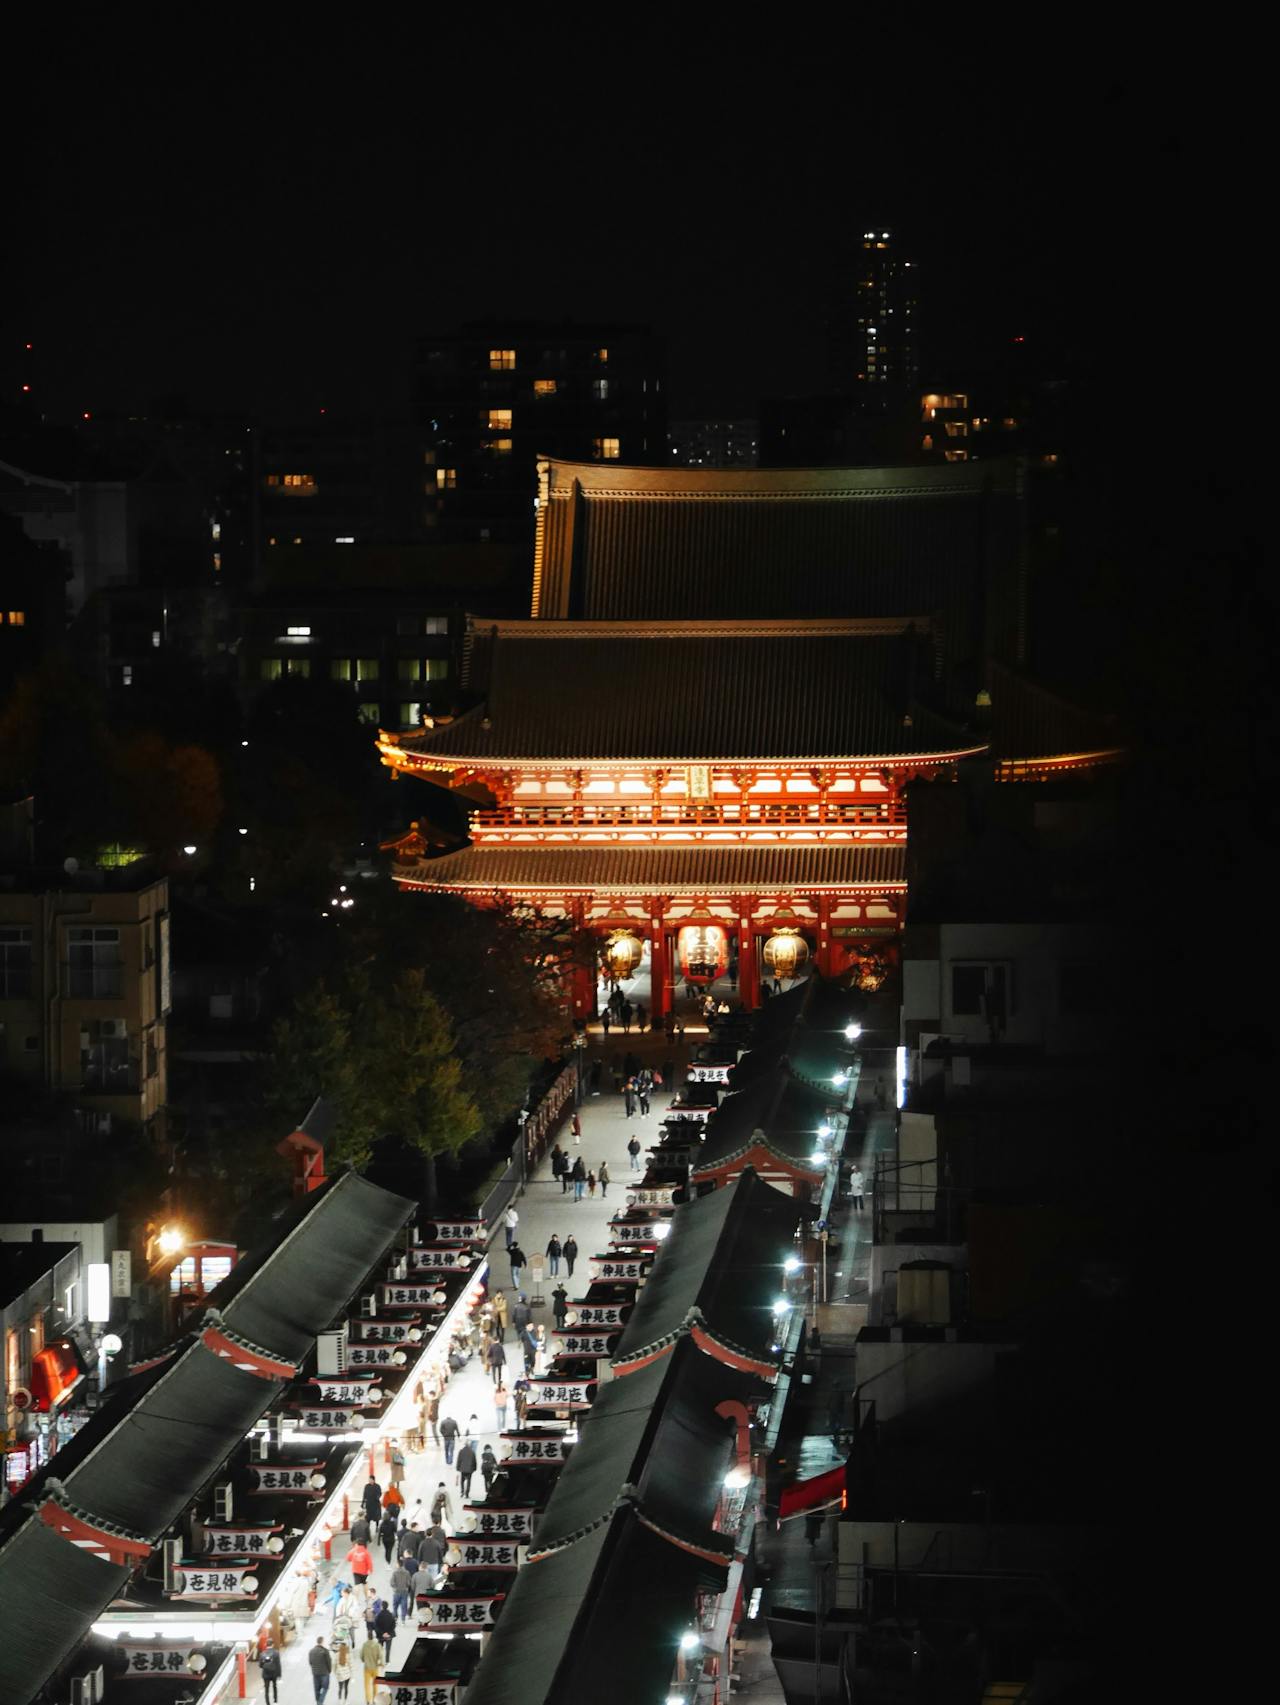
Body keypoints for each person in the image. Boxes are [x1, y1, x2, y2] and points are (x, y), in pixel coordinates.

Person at [308, 1636, 333, 1704]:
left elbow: (310, 1662)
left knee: (317, 1689)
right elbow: (329, 1662)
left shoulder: (311, 1651)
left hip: (315, 1673)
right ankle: (320, 1702)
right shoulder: (325, 1651)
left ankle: (318, 1701)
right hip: (324, 1673)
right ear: (322, 1642)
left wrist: (314, 1669)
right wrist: (329, 1670)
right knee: (325, 1688)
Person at [359, 1634, 382, 1704]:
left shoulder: (364, 1645)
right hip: (375, 1668)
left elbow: (361, 1656)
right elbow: (380, 1655)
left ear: (368, 1637)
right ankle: (375, 1700)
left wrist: (364, 1660)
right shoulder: (377, 1645)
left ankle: (368, 1700)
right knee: (375, 1685)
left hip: (367, 1668)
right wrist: (381, 1663)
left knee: (367, 1685)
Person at [260, 1639, 282, 1704]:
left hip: (265, 1674)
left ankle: (267, 1703)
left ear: (266, 1645)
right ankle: (275, 1700)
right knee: (274, 1686)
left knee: (266, 1689)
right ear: (273, 1644)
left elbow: (260, 1665)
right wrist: (279, 1675)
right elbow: (278, 1664)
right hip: (274, 1673)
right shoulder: (276, 1653)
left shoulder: (262, 1654)